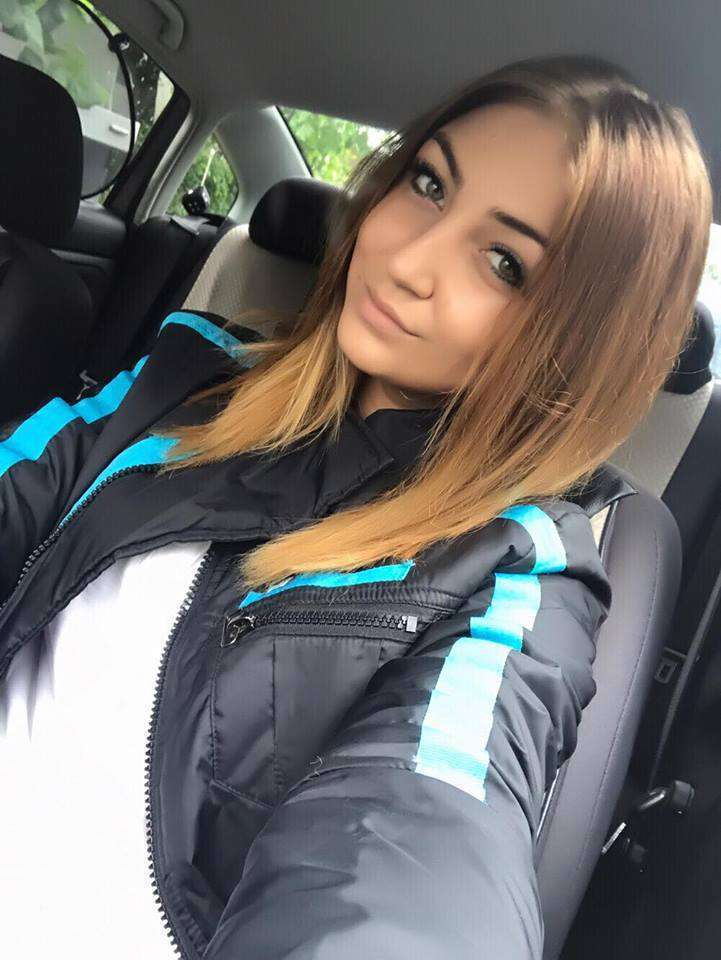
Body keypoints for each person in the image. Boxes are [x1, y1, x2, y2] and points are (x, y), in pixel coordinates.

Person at [0, 53, 712, 959]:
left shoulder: (520, 573)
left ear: (577, 339)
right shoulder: (186, 375)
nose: (407, 259)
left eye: (504, 263)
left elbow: (419, 849)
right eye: (428, 184)